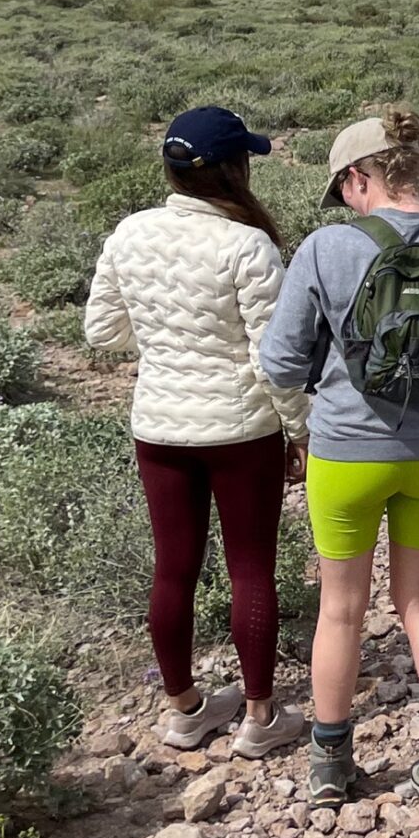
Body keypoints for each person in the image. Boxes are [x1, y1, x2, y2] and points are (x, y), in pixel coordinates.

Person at [259, 109, 419, 806]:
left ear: (356, 180)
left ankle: (330, 763)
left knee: (341, 609)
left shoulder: (325, 249)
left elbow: (281, 363)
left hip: (344, 453)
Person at [85, 104, 309, 758]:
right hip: (241, 433)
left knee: (173, 569)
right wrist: (300, 431)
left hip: (160, 427)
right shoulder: (249, 245)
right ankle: (260, 716)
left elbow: (101, 333)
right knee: (250, 569)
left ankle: (184, 708)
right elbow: (276, 359)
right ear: (236, 171)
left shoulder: (130, 233)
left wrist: (163, 339)